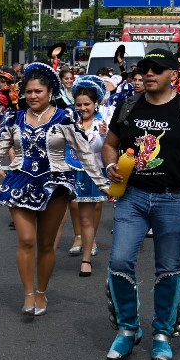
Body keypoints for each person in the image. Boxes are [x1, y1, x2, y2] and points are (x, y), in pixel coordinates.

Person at [101, 49, 180, 360]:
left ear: (174, 74)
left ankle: (161, 334)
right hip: (133, 196)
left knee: (168, 267)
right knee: (119, 261)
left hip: (176, 198)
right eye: (144, 68)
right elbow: (110, 145)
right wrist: (110, 166)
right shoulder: (127, 107)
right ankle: (128, 330)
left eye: (157, 68)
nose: (148, 73)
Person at [0, 63, 109, 317]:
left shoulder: (65, 117)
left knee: (46, 244)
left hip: (55, 183)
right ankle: (27, 294)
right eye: (29, 91)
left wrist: (102, 183)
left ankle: (41, 291)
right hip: (19, 182)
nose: (33, 96)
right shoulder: (14, 118)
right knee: (26, 240)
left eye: (38, 91)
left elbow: (84, 152)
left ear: (50, 92)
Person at [68, 76, 109, 277]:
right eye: (79, 104)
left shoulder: (102, 124)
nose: (82, 108)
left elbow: (105, 149)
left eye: (87, 104)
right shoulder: (68, 122)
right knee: (62, 214)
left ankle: (86, 259)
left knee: (86, 218)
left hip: (91, 174)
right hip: (69, 173)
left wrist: (104, 135)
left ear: (95, 104)